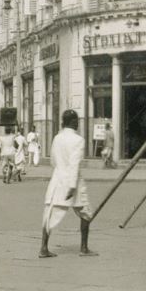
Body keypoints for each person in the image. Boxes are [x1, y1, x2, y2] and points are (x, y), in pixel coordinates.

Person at [39, 110, 97, 258]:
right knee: (86, 214)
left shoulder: (57, 138)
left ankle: (43, 248)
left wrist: (60, 172)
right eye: (76, 120)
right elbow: (74, 163)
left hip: (58, 179)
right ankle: (83, 248)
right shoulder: (78, 140)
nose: (77, 123)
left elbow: (53, 160)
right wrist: (71, 186)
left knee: (49, 213)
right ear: (71, 122)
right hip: (74, 182)